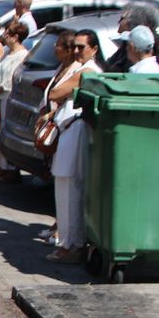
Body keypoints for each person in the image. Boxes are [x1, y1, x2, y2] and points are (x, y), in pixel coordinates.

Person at [45, 29, 101, 262]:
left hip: (75, 130)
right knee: (64, 185)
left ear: (94, 49)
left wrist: (61, 93)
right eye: (75, 46)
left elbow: (56, 92)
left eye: (82, 47)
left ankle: (71, 244)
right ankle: (68, 242)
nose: (77, 51)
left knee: (69, 186)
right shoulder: (78, 68)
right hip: (68, 129)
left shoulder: (88, 71)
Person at [0, 21, 30, 181]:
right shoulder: (7, 52)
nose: (4, 36)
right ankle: (2, 166)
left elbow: (14, 77)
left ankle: (11, 169)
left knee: (7, 129)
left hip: (9, 95)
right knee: (0, 129)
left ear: (16, 37)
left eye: (8, 33)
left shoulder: (22, 55)